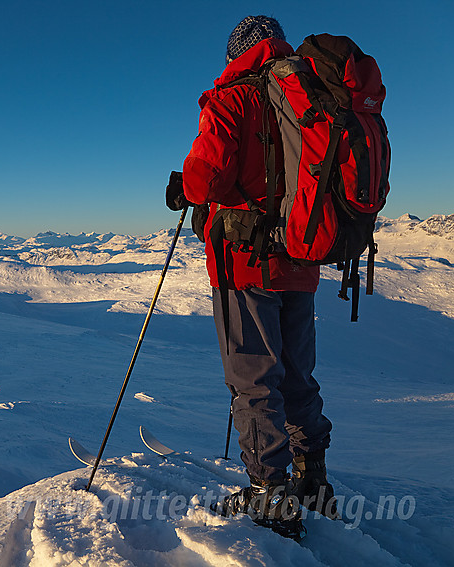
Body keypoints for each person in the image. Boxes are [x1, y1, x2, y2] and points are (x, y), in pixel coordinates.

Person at [167, 15, 337, 538]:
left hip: (245, 262)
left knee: (254, 378)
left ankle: (272, 494)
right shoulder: (309, 93)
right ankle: (313, 480)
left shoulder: (232, 97)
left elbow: (207, 176)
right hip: (301, 259)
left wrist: (184, 188)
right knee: (296, 372)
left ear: (237, 51)